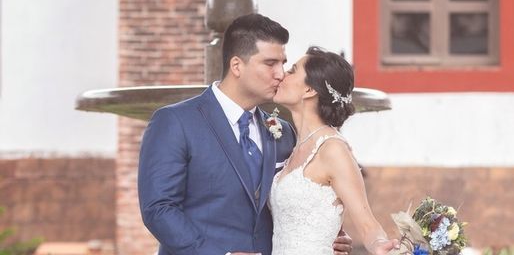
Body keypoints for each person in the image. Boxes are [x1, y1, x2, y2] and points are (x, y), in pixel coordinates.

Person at [138, 14, 353, 255]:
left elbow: (295, 203)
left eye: (283, 63)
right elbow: (158, 209)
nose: (281, 73)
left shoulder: (284, 133)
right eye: (270, 63)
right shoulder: (175, 122)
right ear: (237, 65)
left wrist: (327, 235)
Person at [270, 46, 399, 255]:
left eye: (292, 70)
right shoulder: (293, 146)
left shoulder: (333, 150)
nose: (283, 74)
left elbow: (368, 225)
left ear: (310, 90)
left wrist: (378, 244)